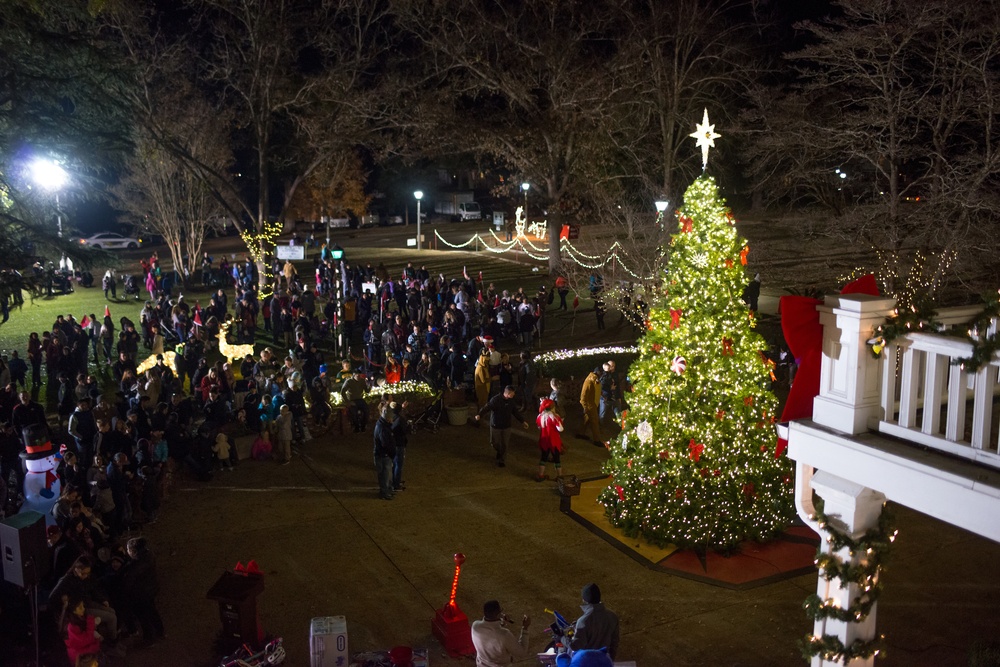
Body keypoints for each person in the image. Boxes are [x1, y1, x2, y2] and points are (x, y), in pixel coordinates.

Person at [123, 536, 165, 644]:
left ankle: (149, 639)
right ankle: (160, 631)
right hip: (151, 589)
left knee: (143, 616)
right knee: (152, 611)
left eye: (128, 549)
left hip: (141, 594)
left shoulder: (136, 564)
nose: (127, 551)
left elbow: (129, 581)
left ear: (133, 550)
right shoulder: (148, 555)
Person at [475, 385, 529, 468]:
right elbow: (487, 407)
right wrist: (479, 414)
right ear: (508, 393)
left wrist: (522, 421)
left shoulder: (511, 401)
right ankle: (500, 452)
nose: (514, 395)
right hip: (496, 425)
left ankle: (502, 460)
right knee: (494, 442)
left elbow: (515, 412)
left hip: (506, 426)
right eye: (513, 393)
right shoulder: (495, 400)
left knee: (505, 444)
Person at [470, 599, 530, 667]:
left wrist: (501, 622)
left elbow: (490, 628)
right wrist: (525, 628)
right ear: (498, 614)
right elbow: (522, 652)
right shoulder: (504, 635)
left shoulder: (475, 626)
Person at [568, 584, 619, 660]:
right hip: (605, 661)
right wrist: (610, 661)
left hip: (587, 662)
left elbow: (575, 646)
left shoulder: (583, 621)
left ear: (584, 600)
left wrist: (563, 638)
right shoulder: (612, 616)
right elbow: (614, 642)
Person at [535, 399, 564, 481]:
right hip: (554, 441)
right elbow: (560, 429)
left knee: (543, 457)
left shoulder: (540, 417)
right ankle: (560, 476)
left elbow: (539, 427)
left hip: (544, 440)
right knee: (557, 459)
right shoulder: (555, 417)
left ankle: (540, 475)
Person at [372, 404, 396, 500]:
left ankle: (388, 491)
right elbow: (385, 444)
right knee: (384, 475)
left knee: (387, 475)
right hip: (383, 455)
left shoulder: (382, 425)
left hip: (384, 455)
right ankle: (384, 493)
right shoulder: (383, 428)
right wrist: (392, 453)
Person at [578, 366, 604, 447]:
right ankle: (597, 440)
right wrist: (585, 406)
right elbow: (583, 395)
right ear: (598, 372)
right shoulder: (589, 381)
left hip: (592, 404)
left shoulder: (594, 379)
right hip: (590, 405)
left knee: (586, 419)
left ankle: (580, 433)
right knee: (595, 422)